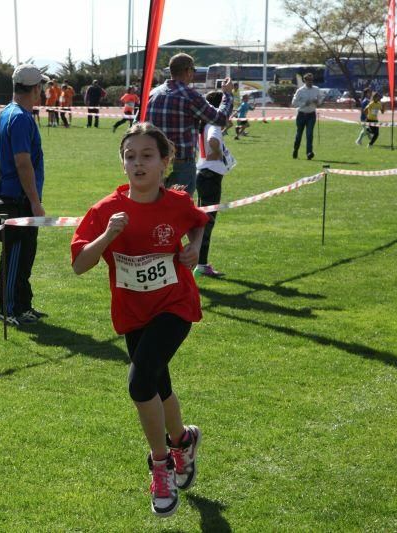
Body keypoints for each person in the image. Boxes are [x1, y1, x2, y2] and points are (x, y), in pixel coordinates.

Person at [71, 122, 207, 518]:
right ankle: (182, 440)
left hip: (174, 304)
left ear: (165, 163)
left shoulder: (177, 203)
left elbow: (199, 220)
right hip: (132, 312)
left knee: (140, 380)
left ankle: (161, 464)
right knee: (158, 385)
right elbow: (80, 265)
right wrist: (107, 237)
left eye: (147, 156)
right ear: (122, 164)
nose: (138, 163)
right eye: (130, 156)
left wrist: (194, 250)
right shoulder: (104, 212)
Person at [0, 64, 49, 326]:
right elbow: (22, 163)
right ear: (35, 88)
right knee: (15, 256)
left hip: (19, 197)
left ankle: (23, 305)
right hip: (18, 200)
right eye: (42, 86)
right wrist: (36, 203)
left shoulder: (12, 113)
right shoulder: (20, 118)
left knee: (25, 256)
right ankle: (9, 309)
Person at [147, 53, 233, 196]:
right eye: (193, 70)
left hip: (154, 162)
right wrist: (228, 95)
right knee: (181, 212)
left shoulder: (152, 94)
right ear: (187, 71)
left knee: (154, 207)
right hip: (181, 164)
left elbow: (137, 125)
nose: (193, 74)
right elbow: (220, 119)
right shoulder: (189, 95)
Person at [195, 91, 236, 278]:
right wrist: (217, 153)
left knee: (202, 221)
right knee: (206, 223)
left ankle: (200, 262)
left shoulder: (204, 123)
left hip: (204, 173)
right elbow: (212, 140)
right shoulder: (213, 124)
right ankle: (201, 264)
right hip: (210, 175)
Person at [290, 73, 324, 160]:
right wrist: (304, 103)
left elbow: (321, 99)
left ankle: (309, 152)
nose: (310, 82)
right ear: (305, 81)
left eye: (312, 80)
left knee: (309, 134)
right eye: (308, 80)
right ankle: (295, 150)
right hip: (301, 114)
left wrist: (318, 102)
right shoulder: (300, 91)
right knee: (299, 135)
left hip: (311, 115)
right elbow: (294, 103)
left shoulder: (316, 89)